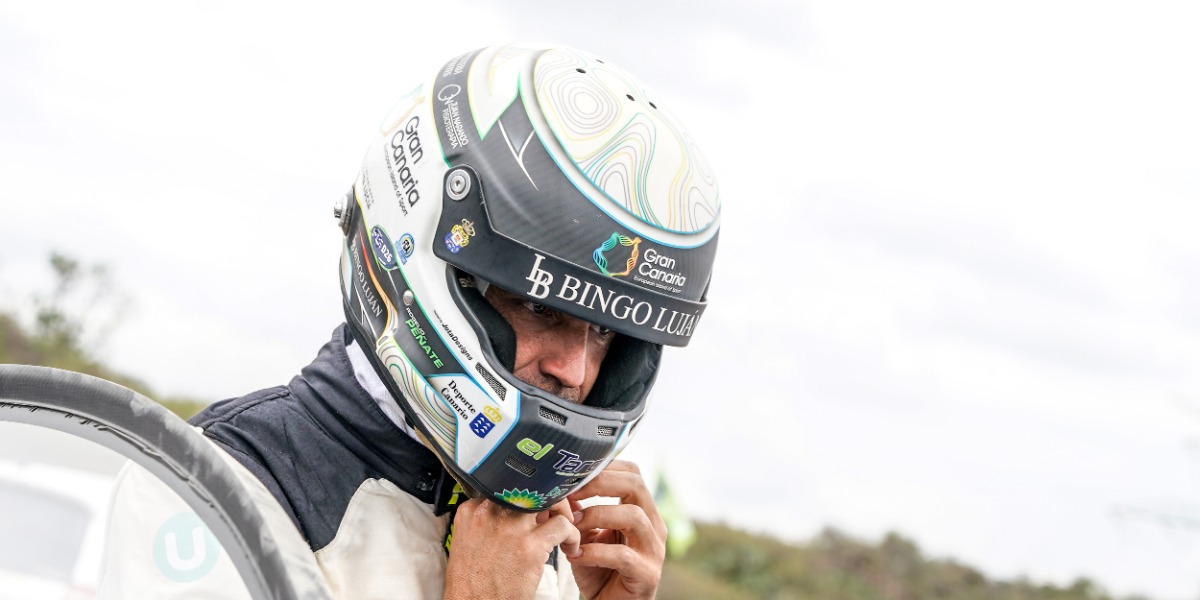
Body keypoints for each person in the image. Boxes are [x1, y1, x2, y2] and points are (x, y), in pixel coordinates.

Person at [163, 43, 720, 599]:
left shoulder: (551, 545)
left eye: (604, 332)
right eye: (541, 308)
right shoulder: (213, 487)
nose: (574, 371)